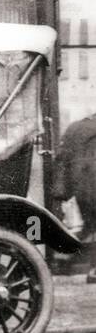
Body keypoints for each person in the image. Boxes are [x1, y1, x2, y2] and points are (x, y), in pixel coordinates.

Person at [52, 111, 96, 283]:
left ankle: (61, 257)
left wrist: (62, 192)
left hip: (80, 188)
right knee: (91, 226)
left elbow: (61, 159)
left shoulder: (74, 128)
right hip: (92, 185)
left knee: (89, 225)